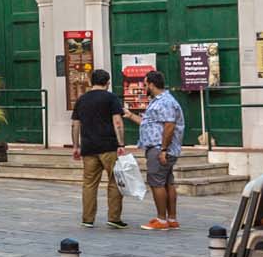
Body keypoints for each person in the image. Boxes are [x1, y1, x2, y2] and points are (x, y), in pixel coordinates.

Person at [69, 68, 129, 229]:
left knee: (89, 184)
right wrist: (121, 144)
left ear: (90, 82)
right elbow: (118, 122)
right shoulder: (111, 98)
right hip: (108, 146)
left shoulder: (81, 100)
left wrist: (76, 146)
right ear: (107, 83)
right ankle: (114, 217)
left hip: (88, 147)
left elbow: (75, 124)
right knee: (114, 181)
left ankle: (87, 219)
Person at [124, 69, 184, 230]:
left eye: (145, 85)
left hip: (159, 148)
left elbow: (169, 126)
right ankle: (171, 219)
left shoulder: (164, 101)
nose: (145, 88)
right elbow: (149, 123)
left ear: (151, 84)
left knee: (156, 183)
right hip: (160, 147)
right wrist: (131, 116)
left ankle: (162, 220)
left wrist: (163, 149)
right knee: (167, 182)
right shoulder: (160, 101)